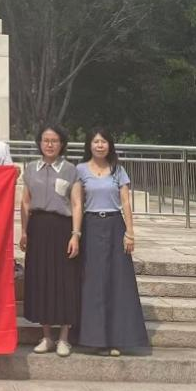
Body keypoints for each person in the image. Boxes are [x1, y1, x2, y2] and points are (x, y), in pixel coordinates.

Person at [76, 127, 149, 355]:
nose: (100, 145)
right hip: (90, 226)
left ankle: (118, 338)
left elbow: (125, 202)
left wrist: (130, 232)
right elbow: (77, 203)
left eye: (104, 141)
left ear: (109, 145)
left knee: (117, 282)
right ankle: (95, 338)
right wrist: (75, 233)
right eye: (96, 141)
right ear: (89, 145)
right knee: (93, 283)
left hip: (115, 226)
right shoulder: (80, 170)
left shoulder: (118, 170)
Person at [19, 123, 82, 357]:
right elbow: (25, 202)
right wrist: (24, 231)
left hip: (62, 228)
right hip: (38, 228)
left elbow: (76, 203)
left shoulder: (70, 170)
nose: (49, 144)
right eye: (46, 140)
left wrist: (76, 234)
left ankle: (64, 338)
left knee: (65, 280)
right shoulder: (31, 169)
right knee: (41, 279)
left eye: (54, 140)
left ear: (62, 144)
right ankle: (46, 336)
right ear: (39, 143)